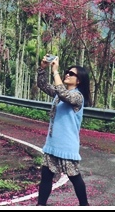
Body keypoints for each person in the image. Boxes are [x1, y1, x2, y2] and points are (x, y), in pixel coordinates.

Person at [36, 56, 92, 206]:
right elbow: (42, 85)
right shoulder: (59, 93)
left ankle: (84, 205)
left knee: (74, 177)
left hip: (67, 146)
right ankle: (40, 205)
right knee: (46, 176)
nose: (67, 74)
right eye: (67, 72)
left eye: (71, 74)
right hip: (53, 144)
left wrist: (55, 72)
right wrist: (42, 68)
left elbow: (64, 95)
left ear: (79, 80)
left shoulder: (77, 97)